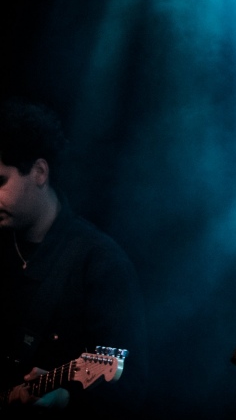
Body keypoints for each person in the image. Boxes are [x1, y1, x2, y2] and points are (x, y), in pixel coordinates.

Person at [0, 97, 149, 418]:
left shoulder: (99, 261)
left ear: (39, 172)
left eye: (1, 182)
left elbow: (132, 384)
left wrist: (67, 400)